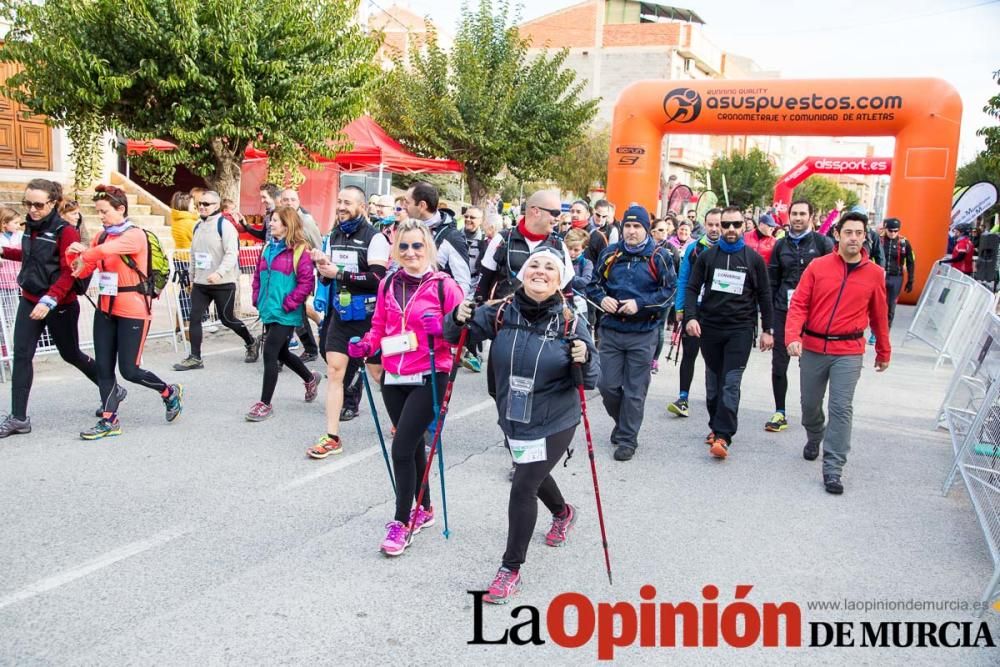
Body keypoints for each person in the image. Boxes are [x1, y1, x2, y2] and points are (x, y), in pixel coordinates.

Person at [445, 247, 598, 604]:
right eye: (534, 266)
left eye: (549, 268)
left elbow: (592, 378)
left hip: (556, 417)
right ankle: (563, 512)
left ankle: (510, 570)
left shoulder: (572, 322)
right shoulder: (499, 312)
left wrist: (584, 357)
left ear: (560, 280)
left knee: (523, 485)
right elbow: (454, 337)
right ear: (522, 273)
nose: (540, 271)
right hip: (513, 413)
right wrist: (457, 316)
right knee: (530, 469)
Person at [349, 220, 464, 555]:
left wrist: (443, 329)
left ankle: (402, 521)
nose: (410, 252)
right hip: (393, 376)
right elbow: (380, 325)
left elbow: (463, 334)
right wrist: (367, 344)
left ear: (427, 247)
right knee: (411, 444)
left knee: (400, 448)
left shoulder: (445, 286)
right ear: (395, 250)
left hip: (430, 375)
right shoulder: (388, 283)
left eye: (417, 246)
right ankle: (425, 507)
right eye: (403, 246)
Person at [785, 211, 890, 494]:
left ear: (865, 236)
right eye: (848, 232)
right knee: (809, 406)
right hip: (814, 347)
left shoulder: (875, 274)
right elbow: (799, 305)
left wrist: (883, 350)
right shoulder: (818, 267)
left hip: (849, 351)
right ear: (837, 235)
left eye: (858, 233)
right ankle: (814, 434)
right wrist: (793, 335)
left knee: (841, 408)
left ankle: (833, 467)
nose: (853, 237)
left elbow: (880, 315)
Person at [67, 184, 182, 440]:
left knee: (129, 370)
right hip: (105, 308)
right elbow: (84, 270)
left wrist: (86, 252)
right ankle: (110, 420)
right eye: (98, 212)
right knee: (104, 369)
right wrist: (71, 255)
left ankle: (168, 391)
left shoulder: (134, 235)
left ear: (121, 209)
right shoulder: (101, 237)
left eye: (105, 211)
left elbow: (104, 252)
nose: (101, 217)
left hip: (133, 308)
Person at [0, 181, 105, 438]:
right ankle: (18, 418)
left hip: (59, 304)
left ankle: (110, 389)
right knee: (22, 355)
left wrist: (50, 300)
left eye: (38, 204)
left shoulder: (66, 231)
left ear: (53, 203)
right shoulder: (30, 228)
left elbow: (71, 271)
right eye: (28, 204)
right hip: (30, 298)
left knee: (70, 354)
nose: (32, 209)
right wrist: (4, 251)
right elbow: (32, 257)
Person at [683, 206, 773, 459]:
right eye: (726, 225)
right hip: (710, 328)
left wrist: (768, 329)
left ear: (744, 226)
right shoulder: (708, 257)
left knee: (730, 383)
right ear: (719, 227)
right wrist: (690, 317)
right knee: (713, 385)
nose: (731, 229)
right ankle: (715, 426)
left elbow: (765, 295)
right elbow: (691, 288)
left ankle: (724, 435)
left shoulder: (753, 259)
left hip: (740, 330)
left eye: (736, 224)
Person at [588, 205, 676, 462]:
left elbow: (669, 291)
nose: (631, 231)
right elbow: (592, 284)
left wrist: (641, 304)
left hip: (644, 331)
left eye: (637, 226)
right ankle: (623, 421)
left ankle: (627, 438)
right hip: (612, 331)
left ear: (646, 229)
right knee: (607, 386)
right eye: (627, 226)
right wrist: (602, 299)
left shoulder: (659, 256)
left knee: (635, 390)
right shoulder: (610, 253)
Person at [308, 186, 390, 457]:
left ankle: (404, 422)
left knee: (378, 373)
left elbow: (378, 279)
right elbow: (328, 277)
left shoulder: (375, 238)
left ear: (362, 207)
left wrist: (339, 273)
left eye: (348, 203)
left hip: (369, 318)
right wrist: (323, 267)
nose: (341, 207)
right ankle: (332, 437)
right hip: (341, 315)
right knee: (334, 371)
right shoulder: (334, 235)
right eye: (339, 202)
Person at [764, 199, 834, 433]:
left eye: (802, 214)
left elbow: (835, 280)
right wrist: (768, 322)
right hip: (785, 310)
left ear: (811, 217)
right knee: (779, 364)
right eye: (794, 213)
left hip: (815, 314)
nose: (797, 218)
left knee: (811, 367)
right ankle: (780, 412)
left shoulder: (823, 243)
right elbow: (772, 282)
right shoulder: (780, 245)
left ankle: (811, 413)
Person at [246, 207, 321, 421]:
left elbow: (307, 283)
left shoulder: (300, 251)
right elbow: (258, 276)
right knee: (281, 353)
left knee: (270, 352)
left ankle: (265, 403)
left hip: (287, 312)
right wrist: (256, 296)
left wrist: (290, 303)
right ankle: (310, 378)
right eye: (271, 220)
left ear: (288, 224)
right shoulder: (268, 248)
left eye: (275, 221)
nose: (271, 224)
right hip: (269, 309)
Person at [172, 191, 259, 370]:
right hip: (201, 284)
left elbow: (231, 253)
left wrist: (219, 273)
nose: (202, 207)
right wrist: (191, 278)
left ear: (216, 206)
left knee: (227, 319)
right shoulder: (197, 226)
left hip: (223, 283)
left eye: (206, 204)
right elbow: (194, 254)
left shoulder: (225, 226)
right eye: (200, 204)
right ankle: (195, 357)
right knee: (194, 317)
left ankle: (251, 342)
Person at [667, 209, 721, 418]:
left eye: (718, 224)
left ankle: (716, 401)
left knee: (714, 359)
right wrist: (680, 309)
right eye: (711, 224)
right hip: (695, 308)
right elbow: (683, 280)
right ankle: (683, 398)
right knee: (689, 353)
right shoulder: (693, 248)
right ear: (704, 225)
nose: (715, 229)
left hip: (718, 311)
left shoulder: (729, 250)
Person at [475, 189, 573, 303]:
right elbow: (482, 287)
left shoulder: (559, 246)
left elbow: (567, 294)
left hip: (543, 318)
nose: (558, 218)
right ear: (536, 211)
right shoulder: (502, 239)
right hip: (504, 317)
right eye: (555, 213)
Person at [404, 182, 472, 297]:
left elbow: (463, 284)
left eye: (407, 202)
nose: (404, 206)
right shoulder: (407, 229)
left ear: (422, 205)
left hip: (435, 310)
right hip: (405, 304)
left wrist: (451, 313)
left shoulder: (452, 237)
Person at [277, 188, 322, 361]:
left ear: (299, 201)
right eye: (285, 199)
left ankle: (282, 352)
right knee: (295, 311)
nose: (289, 202)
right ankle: (308, 348)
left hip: (301, 273)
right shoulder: (278, 218)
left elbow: (317, 245)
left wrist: (316, 269)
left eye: (293, 199)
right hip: (282, 272)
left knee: (294, 310)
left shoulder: (306, 220)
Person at [461, 206, 489, 373]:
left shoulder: (485, 241)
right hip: (459, 283)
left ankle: (474, 354)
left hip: (476, 284)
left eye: (473, 218)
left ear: (480, 221)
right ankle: (460, 352)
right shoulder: (455, 236)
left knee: (473, 319)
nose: (469, 220)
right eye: (467, 216)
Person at [877, 218, 915, 330]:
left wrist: (911, 280)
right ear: (885, 229)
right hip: (880, 276)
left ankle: (886, 330)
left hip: (896, 277)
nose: (893, 233)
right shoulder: (879, 241)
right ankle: (876, 329)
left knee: (891, 306)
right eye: (890, 231)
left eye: (896, 231)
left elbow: (911, 262)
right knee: (878, 304)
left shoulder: (904, 242)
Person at [567, 199, 608, 266]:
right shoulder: (565, 234)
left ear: (587, 215)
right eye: (572, 211)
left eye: (578, 212)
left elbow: (604, 263)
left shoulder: (598, 236)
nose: (574, 214)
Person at [564, 228, 594, 318]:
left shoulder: (586, 263)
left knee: (581, 329)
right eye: (569, 249)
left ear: (583, 249)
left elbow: (586, 280)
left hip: (580, 302)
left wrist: (566, 278)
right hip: (563, 302)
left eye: (576, 250)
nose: (572, 253)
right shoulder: (561, 260)